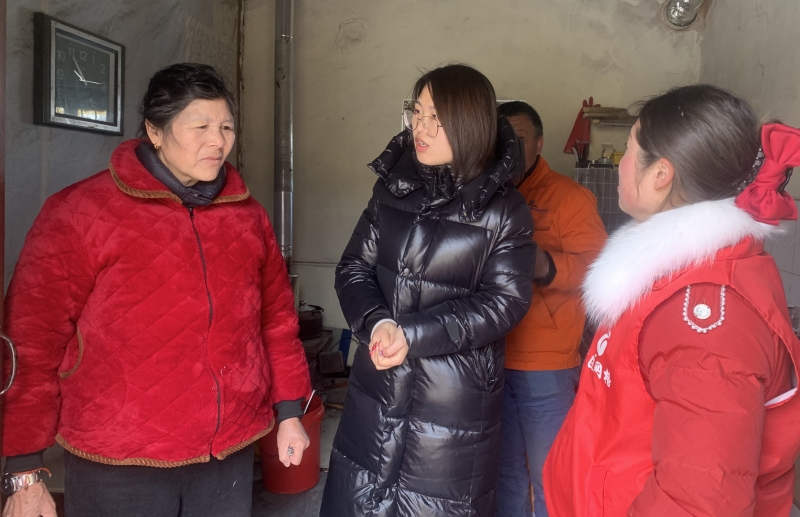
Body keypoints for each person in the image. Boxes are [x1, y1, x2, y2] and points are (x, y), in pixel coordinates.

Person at [1, 63, 311, 517]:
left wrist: (289, 413)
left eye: (226, 127)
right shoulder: (79, 212)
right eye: (200, 127)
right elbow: (31, 340)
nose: (218, 141)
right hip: (118, 458)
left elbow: (277, 322)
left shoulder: (247, 217)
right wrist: (24, 469)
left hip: (226, 450)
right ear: (154, 131)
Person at [544, 84, 800, 517]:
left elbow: (699, 502)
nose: (621, 164)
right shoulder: (678, 275)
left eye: (629, 149)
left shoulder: (704, 320)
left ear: (661, 174)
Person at [319, 64, 537, 517]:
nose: (421, 127)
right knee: (360, 498)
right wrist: (377, 321)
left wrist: (412, 335)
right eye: (416, 113)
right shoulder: (392, 188)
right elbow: (354, 266)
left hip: (452, 404)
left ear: (469, 121)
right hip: (378, 388)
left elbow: (504, 302)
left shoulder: (504, 209)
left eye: (436, 117)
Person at [494, 102, 607, 517]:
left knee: (550, 474)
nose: (509, 147)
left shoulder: (569, 198)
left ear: (539, 143)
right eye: (501, 139)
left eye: (519, 139)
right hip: (489, 356)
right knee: (504, 472)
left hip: (546, 366)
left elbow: (597, 268)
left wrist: (546, 266)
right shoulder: (485, 196)